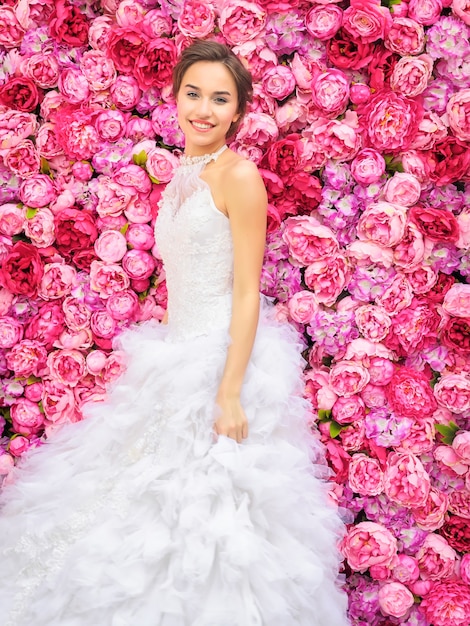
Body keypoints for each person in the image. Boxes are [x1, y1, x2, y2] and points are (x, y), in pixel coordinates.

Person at [0, 41, 350, 626]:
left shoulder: (239, 177)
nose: (204, 109)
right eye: (194, 94)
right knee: (133, 497)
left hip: (222, 359)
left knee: (210, 512)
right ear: (175, 97)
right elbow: (185, 276)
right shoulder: (184, 174)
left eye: (220, 98)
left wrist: (230, 390)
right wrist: (166, 351)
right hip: (175, 354)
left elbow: (244, 289)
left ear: (238, 111)